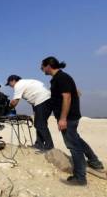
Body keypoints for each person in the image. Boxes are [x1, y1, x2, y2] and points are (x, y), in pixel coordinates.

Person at [41, 56, 104, 186]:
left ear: (48, 66)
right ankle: (95, 162)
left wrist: (63, 118)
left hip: (68, 118)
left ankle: (80, 178)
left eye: (42, 66)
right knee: (77, 140)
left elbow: (67, 97)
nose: (41, 68)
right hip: (70, 116)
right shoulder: (59, 78)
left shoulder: (61, 77)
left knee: (73, 146)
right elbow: (74, 92)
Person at [5, 75, 54, 151]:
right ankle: (39, 144)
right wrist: (35, 110)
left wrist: (7, 108)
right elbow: (33, 96)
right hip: (47, 100)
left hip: (43, 100)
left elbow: (15, 102)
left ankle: (49, 147)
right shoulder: (26, 82)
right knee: (40, 124)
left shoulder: (18, 85)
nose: (10, 86)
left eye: (9, 84)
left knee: (40, 124)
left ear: (13, 80)